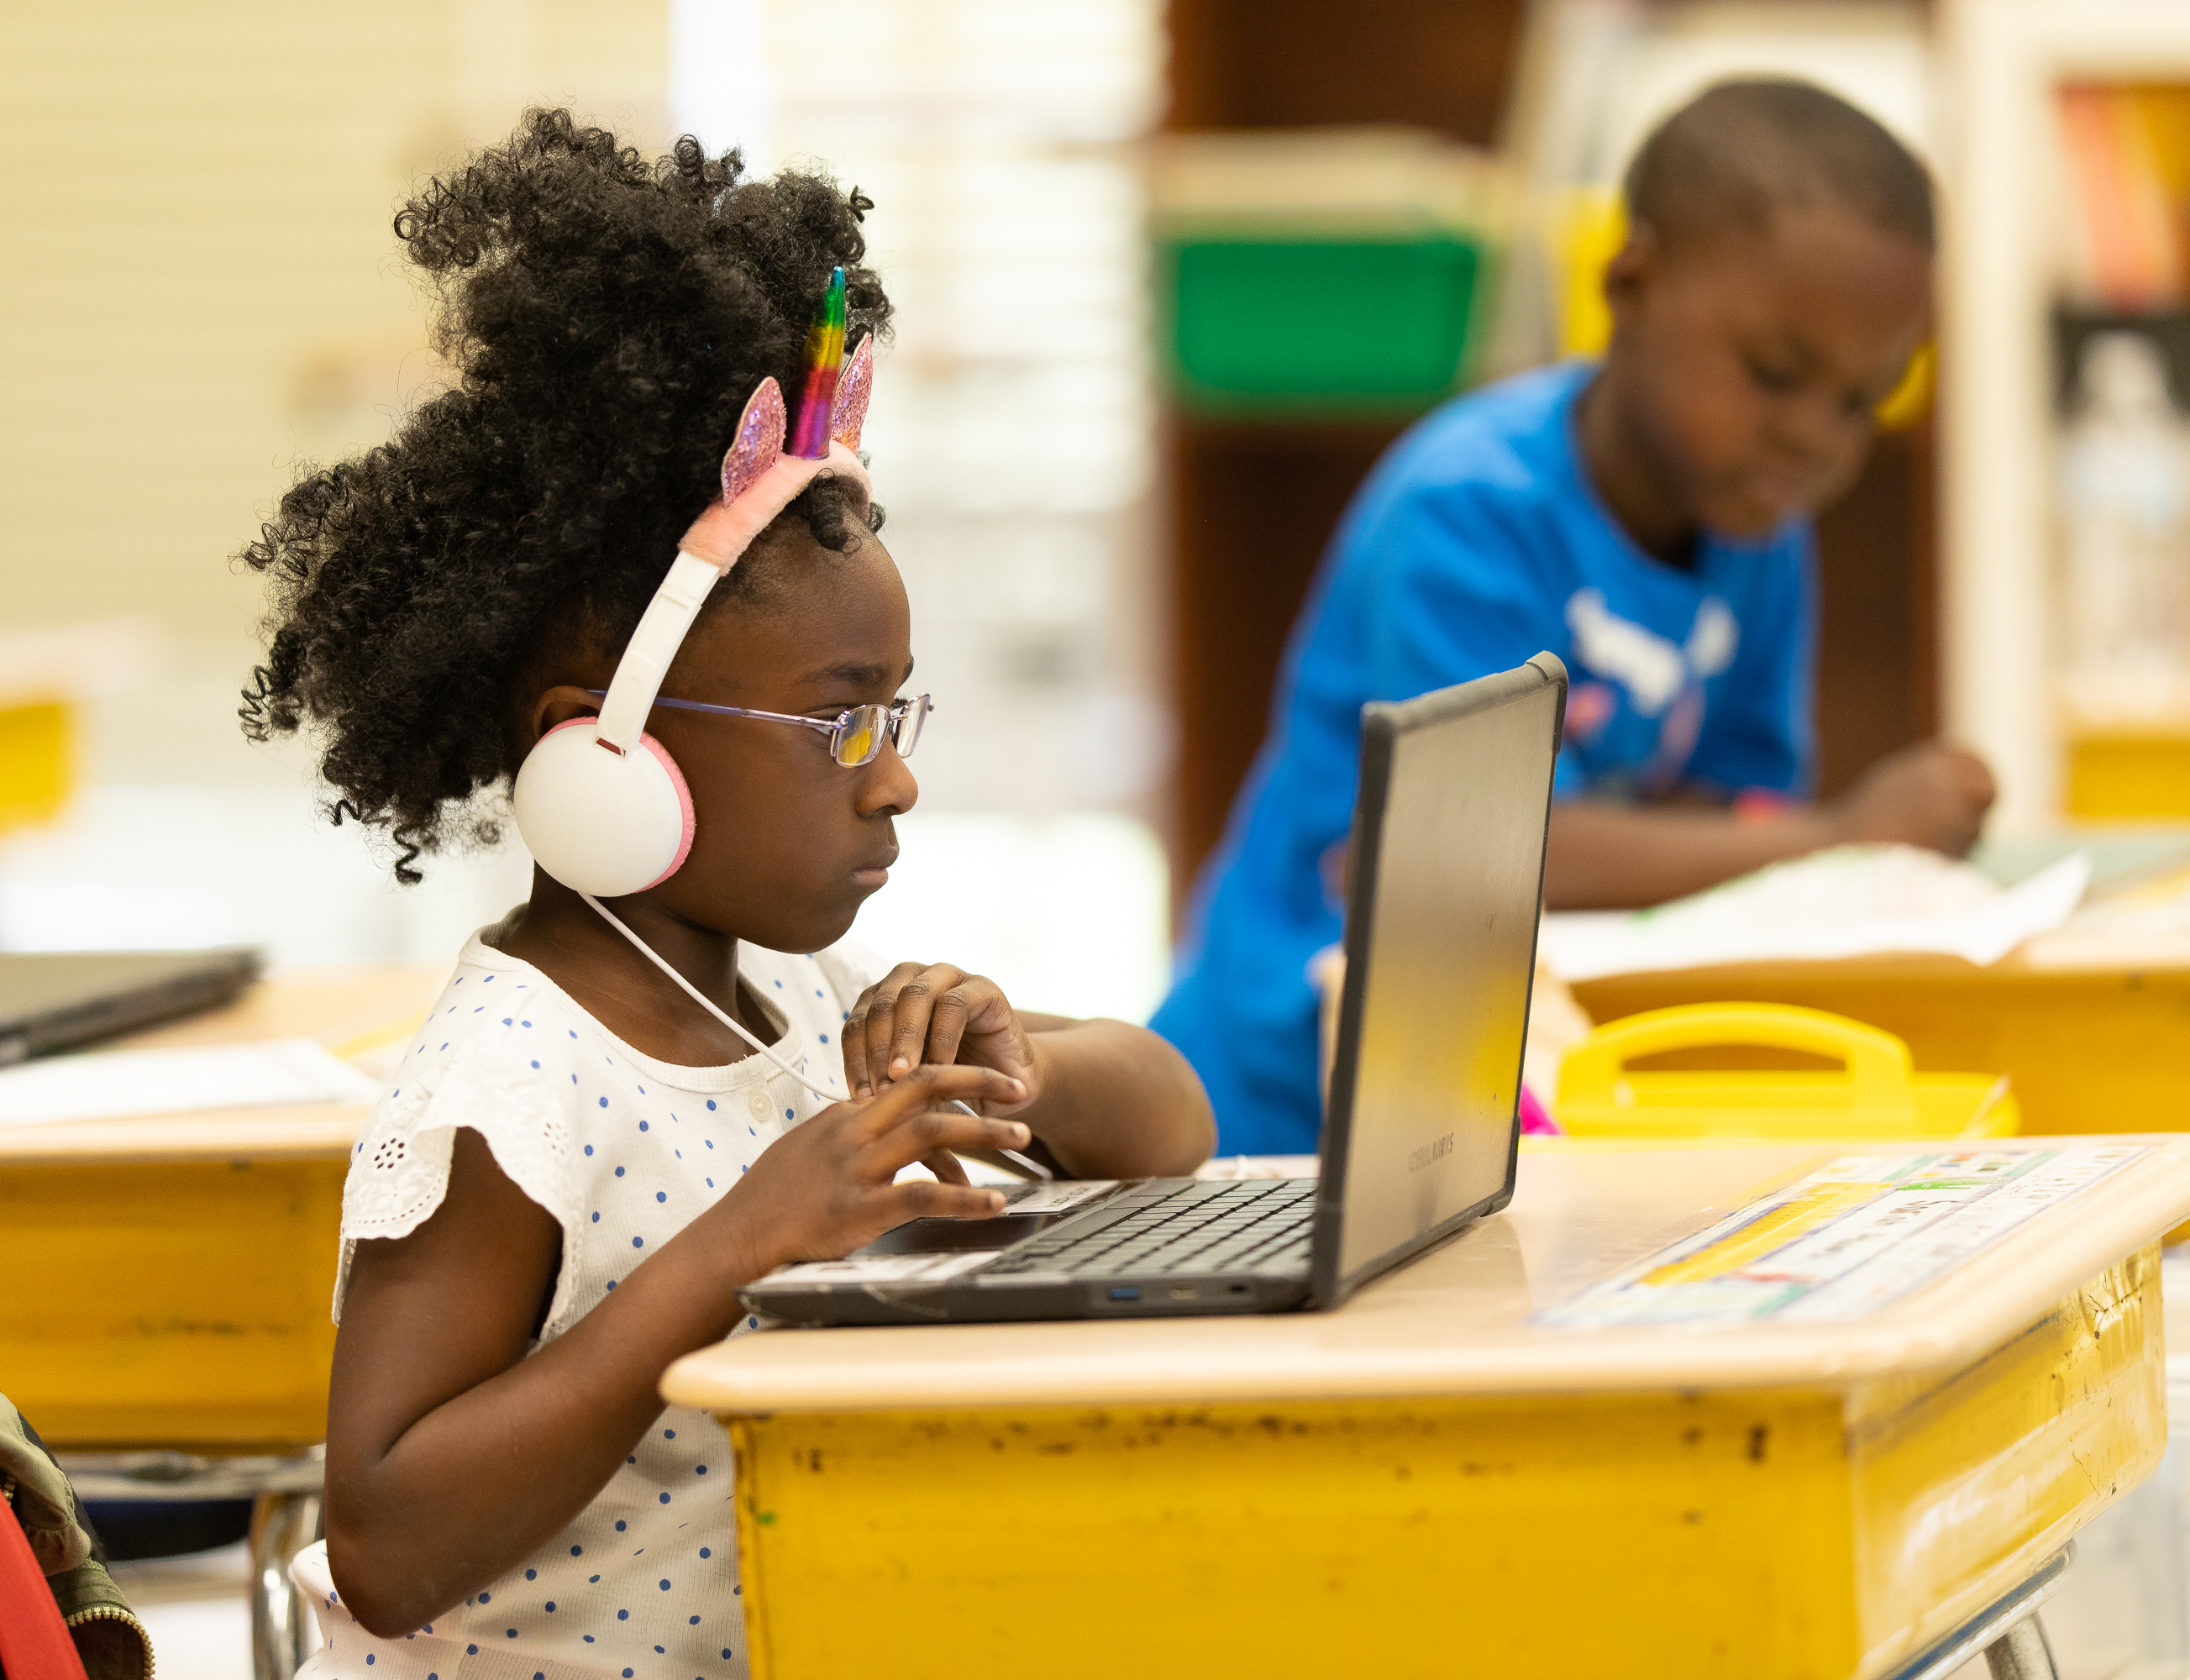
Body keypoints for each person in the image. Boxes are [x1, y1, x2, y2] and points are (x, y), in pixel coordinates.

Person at [238, 108, 1213, 1679]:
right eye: (841, 721)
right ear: (602, 755)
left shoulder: (793, 995)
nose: (892, 777)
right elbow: (389, 1541)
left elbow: (1172, 1125)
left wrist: (1025, 1066)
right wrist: (730, 1253)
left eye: (898, 716)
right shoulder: (509, 1092)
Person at [1154, 78, 1996, 1155]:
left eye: (1859, 401)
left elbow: (1735, 816)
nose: (1814, 439)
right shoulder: (1470, 509)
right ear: (1630, 282)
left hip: (1517, 1076)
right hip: (1275, 1100)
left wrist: (1797, 844)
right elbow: (1449, 857)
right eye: (1777, 373)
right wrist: (1833, 839)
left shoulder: (1759, 529)